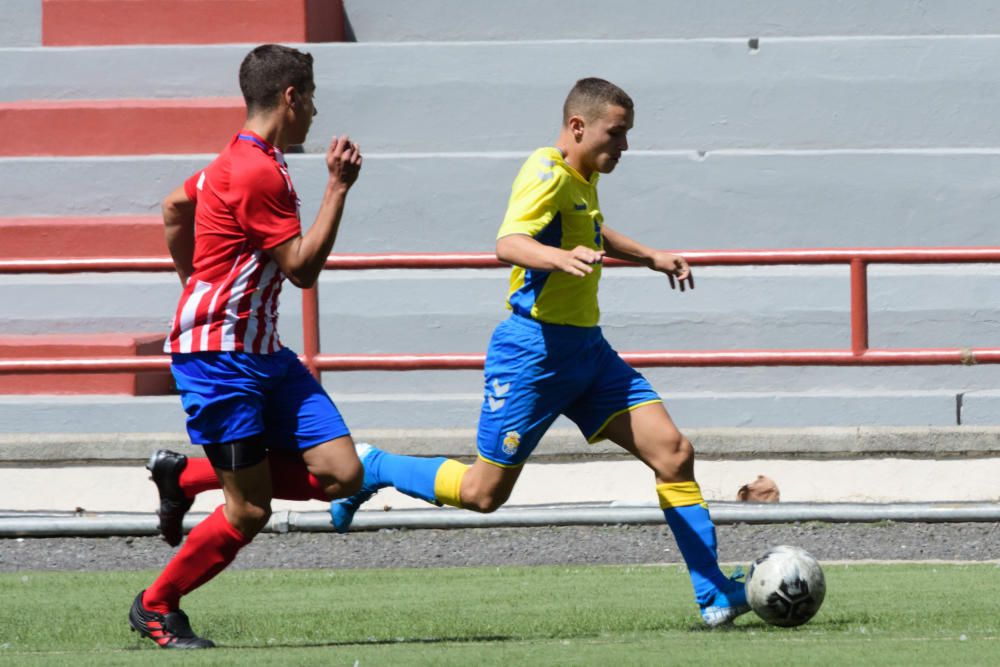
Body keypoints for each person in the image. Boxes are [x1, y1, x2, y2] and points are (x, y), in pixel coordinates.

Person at [329, 77, 750, 627]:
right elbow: (509, 242)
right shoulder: (545, 172)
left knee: (672, 451)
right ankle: (374, 466)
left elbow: (591, 232)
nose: (623, 147)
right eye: (616, 134)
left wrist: (651, 255)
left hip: (588, 353)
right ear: (578, 127)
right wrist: (556, 258)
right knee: (484, 493)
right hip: (533, 353)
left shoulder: (582, 176)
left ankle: (714, 592)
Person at [128, 43, 364, 649]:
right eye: (310, 98)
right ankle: (156, 606)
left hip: (262, 352)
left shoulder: (231, 161)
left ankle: (184, 480)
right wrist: (338, 187)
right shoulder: (259, 171)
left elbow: (175, 206)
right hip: (219, 361)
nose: (314, 111)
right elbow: (302, 269)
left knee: (342, 473)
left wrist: (196, 282)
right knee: (249, 510)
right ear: (291, 97)